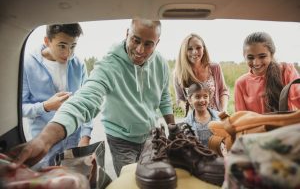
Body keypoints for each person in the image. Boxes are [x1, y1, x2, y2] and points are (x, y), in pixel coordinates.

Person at [12, 19, 175, 176]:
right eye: (136, 40)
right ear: (127, 34)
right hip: (121, 139)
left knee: (153, 179)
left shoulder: (160, 62)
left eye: (148, 44)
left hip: (149, 136)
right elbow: (84, 100)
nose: (140, 50)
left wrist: (173, 128)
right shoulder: (109, 65)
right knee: (130, 180)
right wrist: (44, 139)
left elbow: (164, 96)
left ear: (157, 43)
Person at [22, 23, 93, 169]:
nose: (68, 53)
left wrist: (85, 136)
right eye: (62, 46)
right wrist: (45, 107)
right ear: (47, 41)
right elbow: (20, 108)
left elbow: (87, 102)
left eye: (73, 46)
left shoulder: (78, 65)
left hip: (74, 141)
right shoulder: (27, 65)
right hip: (43, 144)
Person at [234, 32, 300, 113]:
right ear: (244, 57)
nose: (256, 63)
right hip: (257, 126)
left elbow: (298, 96)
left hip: (286, 125)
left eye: (262, 56)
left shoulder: (286, 70)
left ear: (271, 55)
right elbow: (241, 117)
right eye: (250, 57)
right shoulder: (241, 83)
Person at [174, 33, 229, 116]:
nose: (195, 52)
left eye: (198, 47)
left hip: (217, 116)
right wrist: (190, 114)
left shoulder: (214, 67)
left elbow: (223, 91)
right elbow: (180, 99)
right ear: (184, 51)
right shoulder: (178, 73)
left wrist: (224, 110)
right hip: (195, 120)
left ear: (203, 49)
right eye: (189, 49)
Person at [184, 82, 220, 147]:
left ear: (209, 98)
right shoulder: (186, 123)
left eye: (205, 96)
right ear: (189, 100)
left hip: (218, 156)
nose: (202, 100)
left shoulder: (220, 117)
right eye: (197, 97)